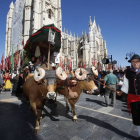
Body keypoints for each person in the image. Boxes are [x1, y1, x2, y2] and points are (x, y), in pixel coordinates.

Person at [117, 54, 140, 139]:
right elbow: (125, 85)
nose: (135, 63)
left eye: (137, 61)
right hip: (133, 98)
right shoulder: (128, 72)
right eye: (133, 62)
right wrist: (122, 92)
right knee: (136, 118)